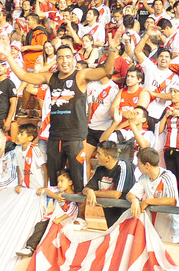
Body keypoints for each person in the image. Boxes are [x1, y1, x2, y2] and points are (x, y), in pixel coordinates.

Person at [11, 36, 123, 189]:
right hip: (55, 136)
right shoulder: (50, 77)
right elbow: (24, 76)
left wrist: (112, 50)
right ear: (56, 61)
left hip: (75, 137)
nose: (65, 61)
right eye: (61, 57)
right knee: (54, 182)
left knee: (78, 181)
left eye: (68, 57)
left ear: (74, 60)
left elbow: (106, 71)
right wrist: (8, 56)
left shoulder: (80, 75)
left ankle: (78, 205)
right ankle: (55, 205)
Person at [127, 148, 179, 242]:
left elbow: (172, 201)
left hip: (171, 233)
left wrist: (148, 201)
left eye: (139, 163)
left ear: (147, 165)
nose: (137, 166)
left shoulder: (167, 176)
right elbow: (130, 194)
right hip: (154, 231)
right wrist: (134, 200)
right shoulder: (144, 177)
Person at [84, 140, 134, 227]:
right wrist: (89, 191)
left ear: (108, 158)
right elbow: (85, 189)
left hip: (126, 218)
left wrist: (93, 193)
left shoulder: (123, 166)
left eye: (99, 154)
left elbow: (116, 194)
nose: (96, 156)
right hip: (110, 217)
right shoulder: (100, 169)